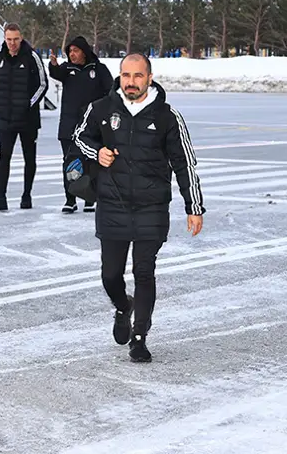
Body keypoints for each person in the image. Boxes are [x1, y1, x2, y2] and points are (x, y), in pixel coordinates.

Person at [73, 53, 205, 362]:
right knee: (110, 275)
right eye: (126, 75)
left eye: (137, 76)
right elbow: (79, 138)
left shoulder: (167, 117)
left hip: (151, 207)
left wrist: (194, 206)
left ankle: (139, 337)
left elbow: (184, 164)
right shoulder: (101, 109)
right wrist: (97, 152)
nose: (131, 82)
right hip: (112, 204)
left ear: (149, 78)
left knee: (144, 271)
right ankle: (123, 306)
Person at [49, 35, 113, 213]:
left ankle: (90, 198)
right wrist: (53, 65)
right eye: (70, 51)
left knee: (92, 162)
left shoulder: (98, 69)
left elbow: (110, 91)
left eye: (75, 51)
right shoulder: (67, 68)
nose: (72, 54)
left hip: (92, 125)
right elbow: (56, 74)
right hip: (69, 124)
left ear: (84, 52)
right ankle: (70, 199)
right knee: (69, 162)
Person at [0, 23, 49, 211]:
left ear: (21, 38)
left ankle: (26, 195)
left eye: (15, 39)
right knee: (3, 157)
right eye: (9, 39)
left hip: (27, 119)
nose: (12, 43)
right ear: (4, 38)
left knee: (29, 158)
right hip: (5, 119)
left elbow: (43, 84)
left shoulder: (32, 57)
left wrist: (28, 105)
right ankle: (1, 196)